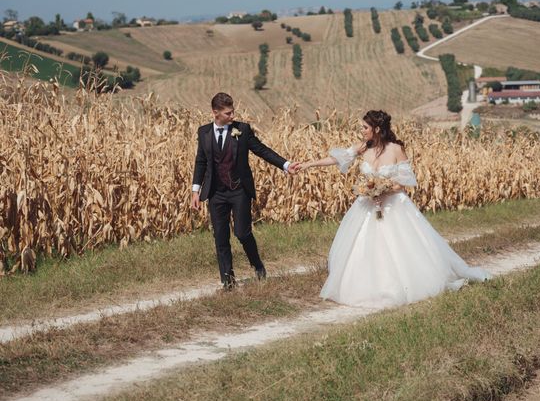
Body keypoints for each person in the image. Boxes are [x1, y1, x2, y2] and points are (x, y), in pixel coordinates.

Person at [299, 110, 490, 308]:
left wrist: (383, 190)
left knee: (399, 245)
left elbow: (403, 182)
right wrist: (307, 165)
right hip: (367, 205)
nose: (361, 131)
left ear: (377, 129)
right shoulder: (364, 148)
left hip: (393, 205)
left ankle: (403, 286)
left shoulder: (396, 149)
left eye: (365, 127)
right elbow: (337, 159)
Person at [191, 92, 299, 290]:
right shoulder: (203, 132)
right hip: (216, 192)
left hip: (239, 190)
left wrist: (286, 164)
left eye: (233, 112)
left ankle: (257, 265)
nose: (232, 116)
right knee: (220, 237)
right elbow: (201, 161)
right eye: (228, 113)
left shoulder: (242, 130)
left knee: (242, 233)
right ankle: (228, 281)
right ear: (215, 113)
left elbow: (261, 150)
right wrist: (195, 190)